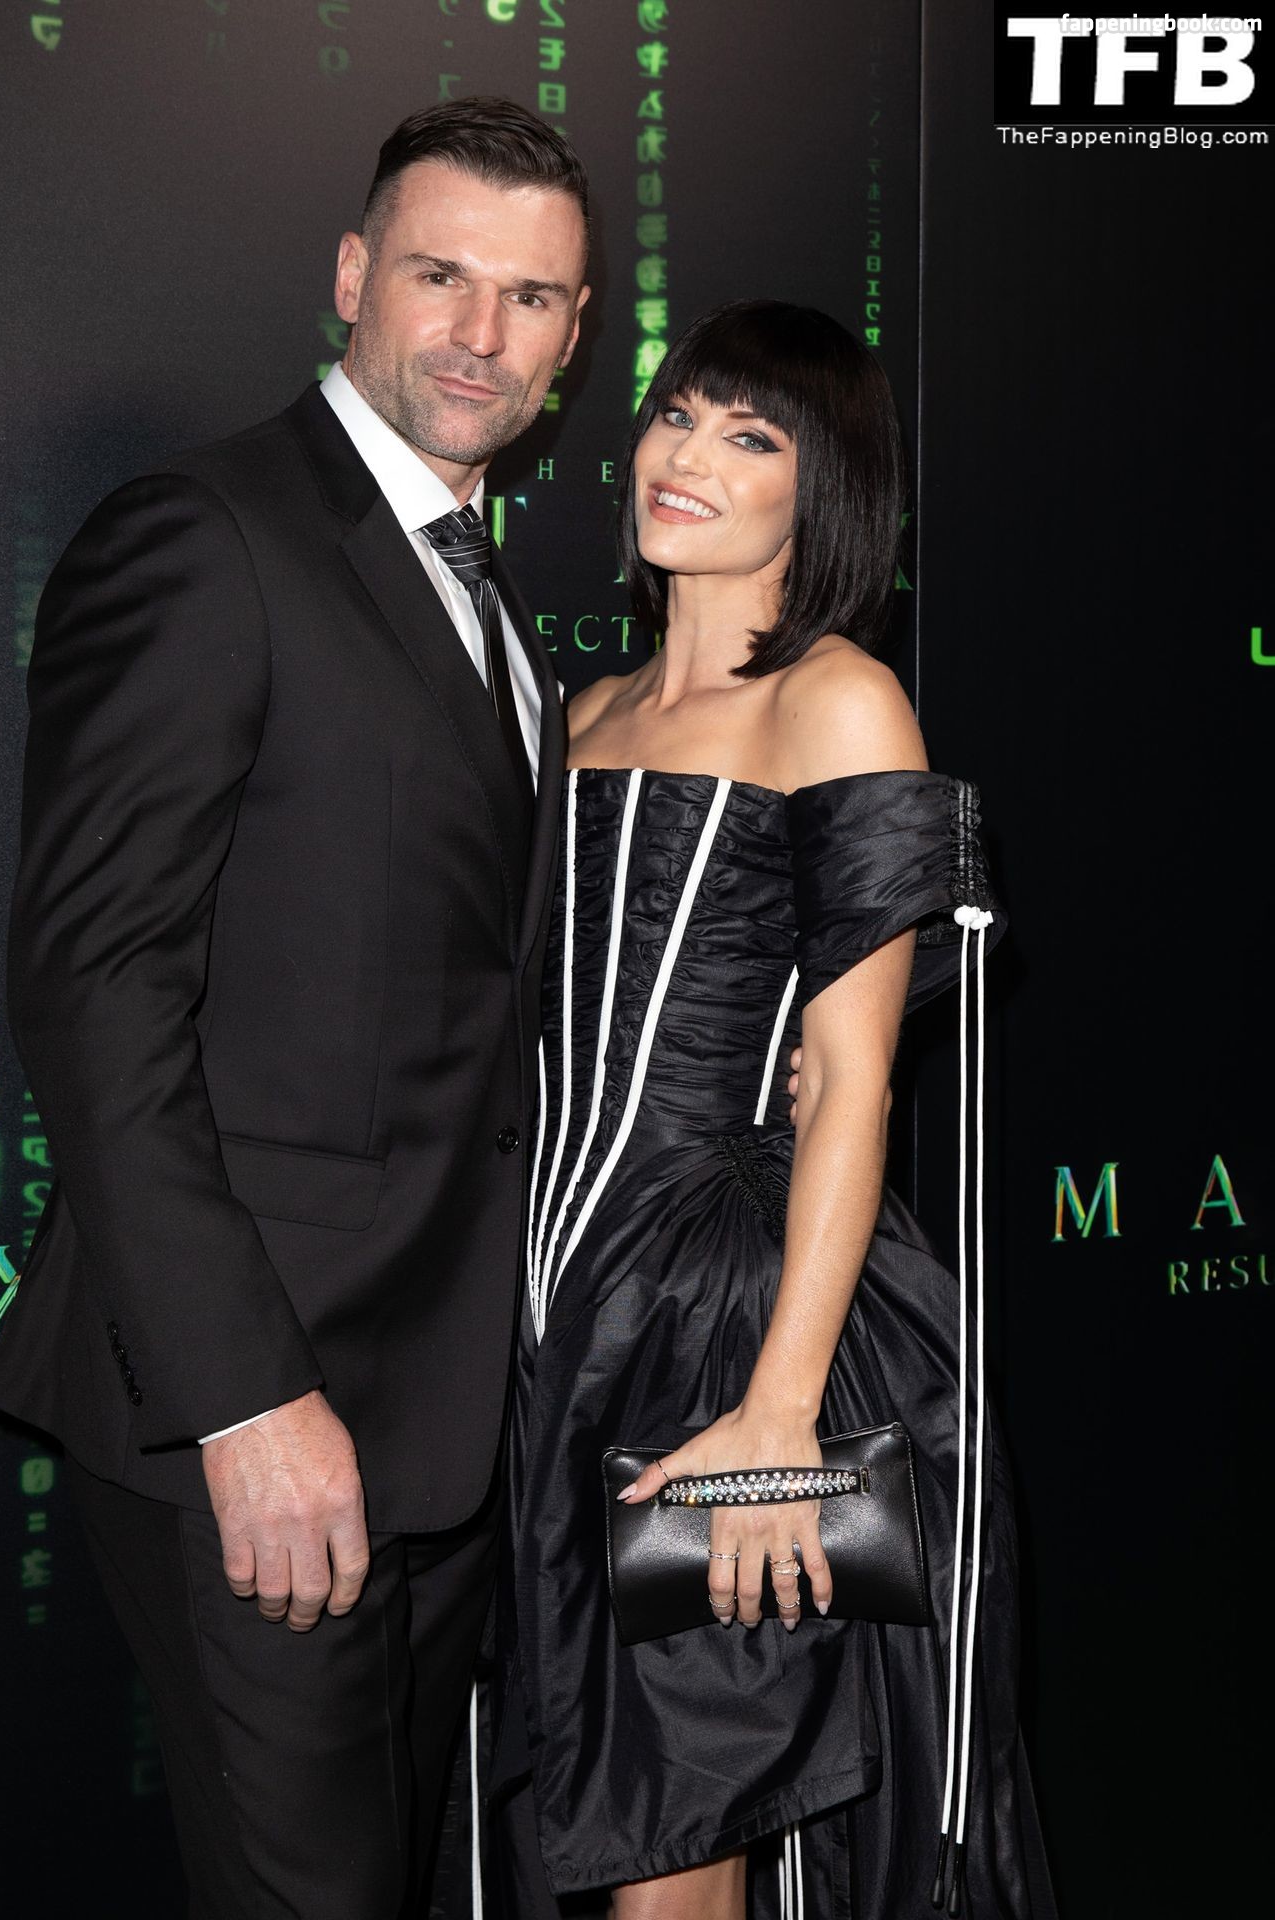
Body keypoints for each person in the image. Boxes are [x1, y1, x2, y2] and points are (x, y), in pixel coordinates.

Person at [0, 97, 591, 1920]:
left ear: (575, 336)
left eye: (531, 298)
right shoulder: (206, 536)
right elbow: (95, 991)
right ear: (350, 276)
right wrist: (246, 1404)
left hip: (441, 1421)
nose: (480, 334)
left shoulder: (491, 597)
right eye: (439, 276)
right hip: (261, 1416)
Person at [489, 302, 1056, 1919]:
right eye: (679, 412)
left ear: (825, 498)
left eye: (752, 437)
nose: (687, 455)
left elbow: (855, 1077)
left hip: (724, 1327)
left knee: (678, 1829)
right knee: (592, 1818)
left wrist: (781, 1414)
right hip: (543, 1330)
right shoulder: (575, 715)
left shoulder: (835, 699)